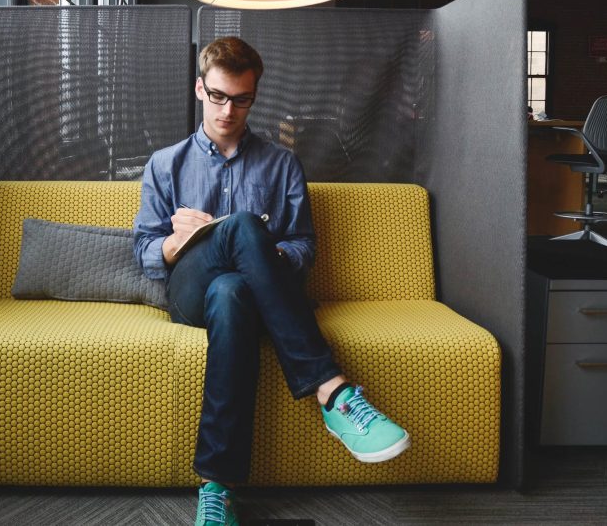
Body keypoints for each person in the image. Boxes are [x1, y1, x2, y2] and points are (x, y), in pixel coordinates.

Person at [133, 37, 410, 526]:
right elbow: (146, 253)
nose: (228, 109)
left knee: (234, 288)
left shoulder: (282, 165)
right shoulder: (165, 164)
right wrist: (183, 240)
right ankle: (331, 390)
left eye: (241, 99)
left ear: (254, 97)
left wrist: (262, 253)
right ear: (201, 88)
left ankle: (217, 487)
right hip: (188, 292)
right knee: (239, 227)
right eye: (218, 95)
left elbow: (303, 247)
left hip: (250, 298)